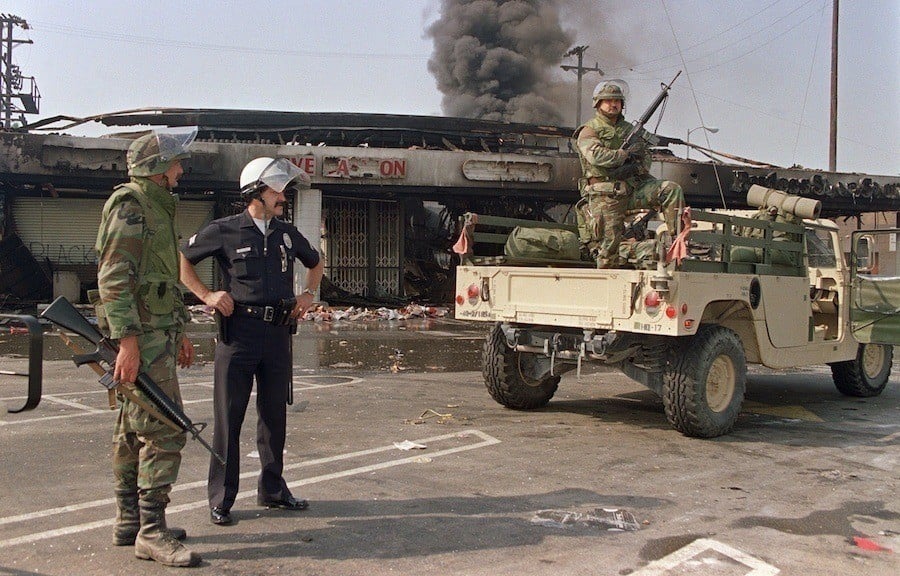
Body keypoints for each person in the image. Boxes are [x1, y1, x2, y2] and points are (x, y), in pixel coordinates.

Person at [179, 156, 325, 527]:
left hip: (278, 334)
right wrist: (207, 295)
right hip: (238, 335)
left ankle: (273, 489)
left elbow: (315, 261)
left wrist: (308, 294)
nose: (283, 197)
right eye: (277, 190)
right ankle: (221, 499)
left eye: (284, 190)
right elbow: (182, 260)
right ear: (255, 193)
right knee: (229, 418)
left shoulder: (287, 233)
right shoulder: (224, 230)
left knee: (274, 417)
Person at [96, 127, 200, 567]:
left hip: (157, 335)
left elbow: (161, 279)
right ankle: (152, 531)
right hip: (141, 339)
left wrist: (180, 330)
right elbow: (114, 278)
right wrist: (128, 343)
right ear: (157, 170)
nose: (180, 170)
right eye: (175, 163)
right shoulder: (132, 206)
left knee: (130, 426)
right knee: (166, 426)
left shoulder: (158, 207)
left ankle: (130, 520)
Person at [574, 80, 685, 268]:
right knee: (609, 249)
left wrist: (635, 166)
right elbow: (597, 156)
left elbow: (645, 157)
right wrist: (624, 155)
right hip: (605, 194)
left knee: (670, 190)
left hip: (632, 189)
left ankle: (677, 243)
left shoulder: (629, 130)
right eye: (607, 100)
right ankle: (607, 285)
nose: (613, 104)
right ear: (598, 104)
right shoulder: (589, 130)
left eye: (617, 100)